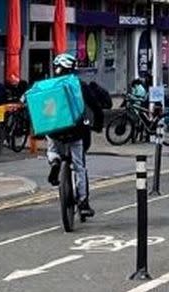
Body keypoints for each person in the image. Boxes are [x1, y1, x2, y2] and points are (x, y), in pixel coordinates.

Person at [45, 53, 104, 218]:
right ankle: (83, 203)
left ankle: (54, 161)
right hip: (76, 131)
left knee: (52, 147)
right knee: (79, 166)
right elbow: (96, 106)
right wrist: (98, 125)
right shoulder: (79, 85)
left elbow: (40, 109)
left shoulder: (49, 85)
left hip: (54, 130)